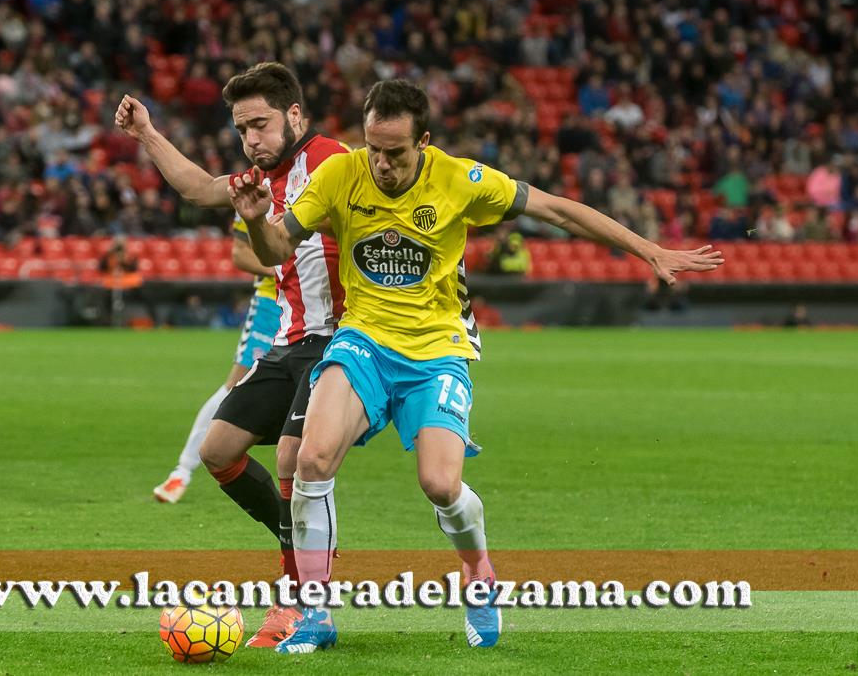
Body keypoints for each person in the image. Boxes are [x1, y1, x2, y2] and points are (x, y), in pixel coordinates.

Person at [230, 79, 724, 653]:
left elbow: (558, 210)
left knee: (441, 485)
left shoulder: (461, 179)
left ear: (425, 142)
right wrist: (259, 221)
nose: (383, 165)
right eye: (374, 150)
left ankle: (479, 575)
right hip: (362, 339)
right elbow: (274, 252)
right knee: (311, 459)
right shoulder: (340, 175)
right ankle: (316, 614)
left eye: (396, 153)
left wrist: (651, 250)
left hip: (437, 349)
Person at [115, 62, 347, 647]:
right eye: (242, 129)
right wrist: (146, 132)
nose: (251, 140)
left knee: (293, 457)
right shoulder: (260, 179)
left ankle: (297, 601)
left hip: (344, 340)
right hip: (290, 340)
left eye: (261, 125)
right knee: (218, 450)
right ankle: (302, 541)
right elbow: (196, 187)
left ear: (295, 115)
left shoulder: (339, 165)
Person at [152, 219, 280, 503]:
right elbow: (240, 253)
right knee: (235, 385)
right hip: (273, 304)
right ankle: (182, 472)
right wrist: (285, 270)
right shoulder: (258, 188)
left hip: (320, 306)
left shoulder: (323, 180)